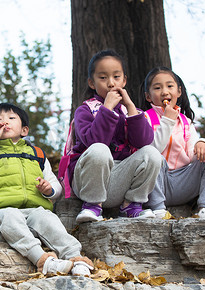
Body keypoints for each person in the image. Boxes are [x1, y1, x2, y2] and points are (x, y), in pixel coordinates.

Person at [0, 103, 94, 276]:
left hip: (33, 211)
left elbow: (56, 187)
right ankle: (43, 260)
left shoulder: (36, 154)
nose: (5, 122)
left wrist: (48, 189)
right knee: (11, 215)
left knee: (47, 218)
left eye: (11, 118)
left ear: (24, 130)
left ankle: (75, 257)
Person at [68, 49, 163, 223]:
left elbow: (143, 141)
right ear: (92, 82)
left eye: (116, 77)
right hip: (89, 180)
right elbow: (94, 142)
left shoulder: (132, 111)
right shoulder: (85, 110)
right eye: (103, 78)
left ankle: (131, 205)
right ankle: (92, 205)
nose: (111, 83)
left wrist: (130, 107)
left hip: (118, 182)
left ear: (124, 80)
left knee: (151, 153)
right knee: (99, 149)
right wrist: (107, 110)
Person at [140, 67, 205, 219]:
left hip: (183, 181)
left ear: (179, 92)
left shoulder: (186, 122)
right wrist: (167, 120)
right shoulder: (145, 118)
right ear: (148, 96)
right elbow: (152, 150)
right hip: (157, 183)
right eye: (158, 88)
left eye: (170, 86)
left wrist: (202, 143)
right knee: (154, 157)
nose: (165, 91)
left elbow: (193, 154)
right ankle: (158, 209)